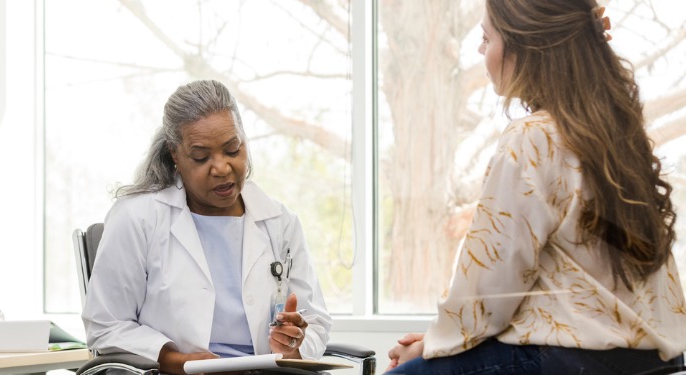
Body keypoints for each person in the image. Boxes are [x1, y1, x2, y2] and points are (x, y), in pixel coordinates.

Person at [386, 1, 686, 374]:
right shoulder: (617, 137)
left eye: (486, 38)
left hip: (569, 359)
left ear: (526, 46)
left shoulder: (532, 136)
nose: (481, 50)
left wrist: (431, 345)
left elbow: (488, 291)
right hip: (653, 358)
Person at [83, 79, 331, 374]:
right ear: (175, 155)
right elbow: (105, 325)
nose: (222, 168)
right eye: (201, 157)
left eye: (232, 150)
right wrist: (176, 360)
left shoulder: (280, 221)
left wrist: (294, 345)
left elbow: (315, 321)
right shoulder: (138, 217)